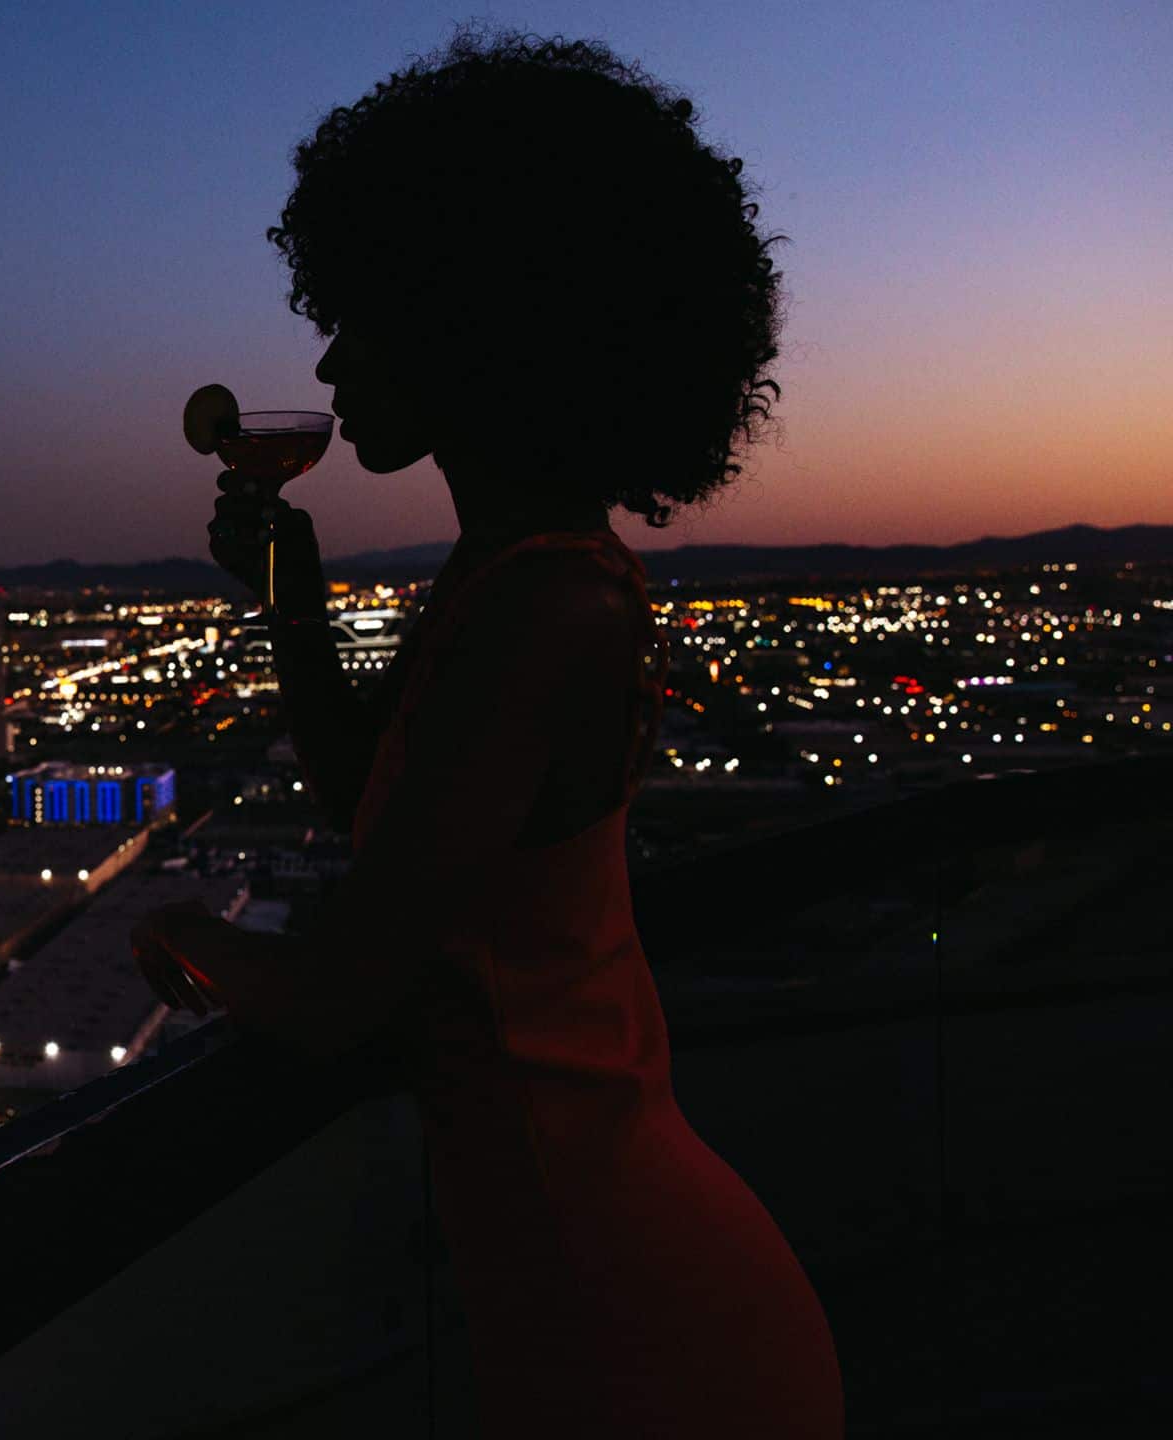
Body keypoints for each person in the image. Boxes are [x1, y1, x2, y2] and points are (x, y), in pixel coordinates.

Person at [129, 31, 842, 1438]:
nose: (328, 355)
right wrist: (297, 599)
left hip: (631, 1304)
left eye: (364, 313)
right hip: (582, 1261)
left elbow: (343, 995)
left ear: (478, 319)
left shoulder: (542, 612)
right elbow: (372, 809)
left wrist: (170, 937)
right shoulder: (525, 575)